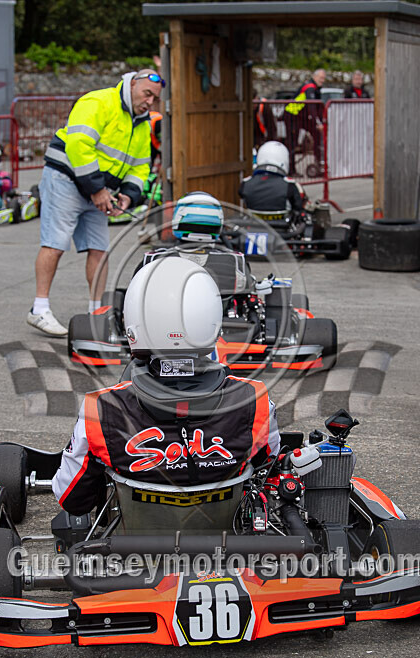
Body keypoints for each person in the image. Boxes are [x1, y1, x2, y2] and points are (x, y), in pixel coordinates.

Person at [52, 255, 280, 514]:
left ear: (135, 318)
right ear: (212, 318)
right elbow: (268, 473)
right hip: (229, 544)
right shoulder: (255, 400)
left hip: (135, 547)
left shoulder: (101, 409)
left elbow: (72, 499)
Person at [27, 69, 163, 337]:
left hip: (97, 190)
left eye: (154, 98)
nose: (149, 102)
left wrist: (127, 195)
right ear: (132, 84)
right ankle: (39, 309)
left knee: (100, 250)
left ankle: (97, 313)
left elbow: (140, 167)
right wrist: (98, 189)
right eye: (147, 94)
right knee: (55, 244)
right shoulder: (99, 102)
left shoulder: (141, 123)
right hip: (65, 179)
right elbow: (78, 144)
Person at [239, 141, 304, 218]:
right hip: (282, 227)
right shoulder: (289, 185)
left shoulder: (245, 183)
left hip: (253, 226)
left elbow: (242, 195)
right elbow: (298, 208)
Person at [285, 69, 326, 174]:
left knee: (316, 135)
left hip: (301, 116)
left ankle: (319, 163)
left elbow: (318, 109)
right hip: (292, 115)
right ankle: (291, 169)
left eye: (324, 78)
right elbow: (312, 106)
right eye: (321, 78)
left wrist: (322, 122)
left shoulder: (316, 89)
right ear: (315, 77)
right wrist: (318, 123)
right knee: (292, 143)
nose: (322, 80)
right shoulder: (310, 88)